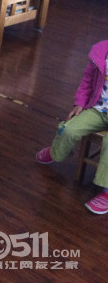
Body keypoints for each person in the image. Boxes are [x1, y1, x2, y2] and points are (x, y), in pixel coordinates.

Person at [36, 39, 108, 215]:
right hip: (98, 109)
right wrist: (80, 103)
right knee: (68, 129)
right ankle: (57, 151)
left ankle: (106, 191)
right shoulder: (101, 50)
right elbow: (87, 80)